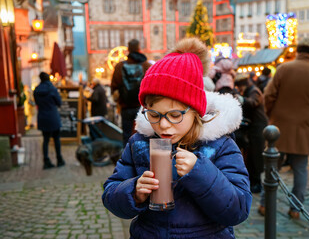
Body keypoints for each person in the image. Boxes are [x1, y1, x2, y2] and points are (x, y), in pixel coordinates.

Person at [102, 38, 252, 238]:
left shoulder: (220, 146)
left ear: (196, 111)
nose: (163, 125)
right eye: (154, 115)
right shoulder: (138, 144)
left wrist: (199, 171)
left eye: (175, 116)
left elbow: (238, 209)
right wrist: (134, 192)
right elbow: (110, 193)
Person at [262, 37, 309, 219]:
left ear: (298, 50)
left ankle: (264, 204)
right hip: (304, 128)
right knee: (301, 170)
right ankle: (295, 209)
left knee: (272, 167)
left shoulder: (284, 68)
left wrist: (271, 115)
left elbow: (268, 96)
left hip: (278, 127)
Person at [111, 39, 152, 146]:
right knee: (143, 134)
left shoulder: (120, 67)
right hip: (142, 107)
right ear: (139, 49)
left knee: (127, 134)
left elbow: (114, 87)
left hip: (125, 106)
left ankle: (127, 158)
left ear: (128, 50)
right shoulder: (146, 65)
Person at [234, 75, 268, 193]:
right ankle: (253, 181)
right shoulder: (250, 90)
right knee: (252, 156)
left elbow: (253, 102)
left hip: (258, 128)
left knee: (256, 155)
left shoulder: (254, 91)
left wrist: (241, 99)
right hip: (253, 128)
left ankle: (257, 182)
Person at [34, 72, 65, 169]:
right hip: (53, 116)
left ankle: (46, 161)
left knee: (45, 140)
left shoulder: (36, 90)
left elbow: (37, 102)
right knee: (56, 139)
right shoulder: (52, 89)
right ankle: (59, 159)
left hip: (43, 116)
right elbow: (59, 102)